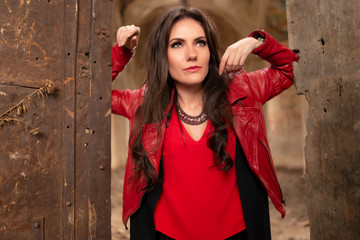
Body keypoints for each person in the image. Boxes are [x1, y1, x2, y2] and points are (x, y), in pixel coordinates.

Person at [111, 6, 299, 240]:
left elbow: (291, 69)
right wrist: (122, 53)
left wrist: (256, 41)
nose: (192, 54)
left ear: (210, 50)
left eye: (200, 42)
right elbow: (86, 98)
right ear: (162, 54)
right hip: (164, 234)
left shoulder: (242, 91)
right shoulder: (141, 102)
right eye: (177, 44)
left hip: (238, 233)